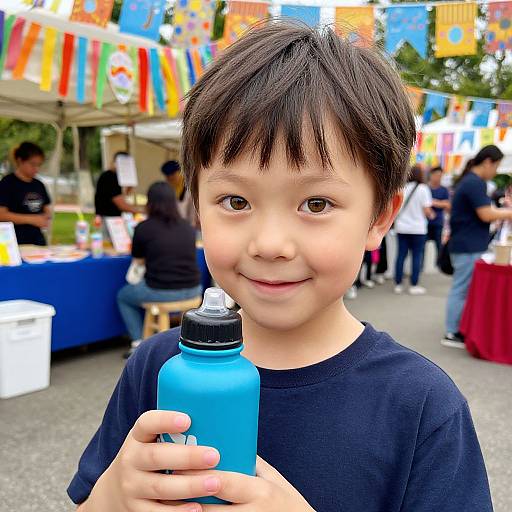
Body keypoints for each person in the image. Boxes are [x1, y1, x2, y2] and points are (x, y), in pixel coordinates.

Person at [69, 22, 492, 512]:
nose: (270, 245)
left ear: (378, 218)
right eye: (234, 200)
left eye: (315, 204)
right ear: (199, 207)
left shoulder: (421, 407)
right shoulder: (159, 367)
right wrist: (109, 500)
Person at [117, 182, 201, 356]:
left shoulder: (143, 228)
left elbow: (138, 262)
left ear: (149, 202)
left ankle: (137, 342)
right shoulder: (187, 227)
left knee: (123, 296)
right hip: (194, 290)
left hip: (161, 291)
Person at [444, 145, 512, 347]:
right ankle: (452, 331)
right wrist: (509, 213)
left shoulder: (470, 181)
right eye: (497, 166)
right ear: (488, 162)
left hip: (465, 243)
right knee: (461, 289)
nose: (495, 171)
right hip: (468, 245)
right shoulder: (475, 183)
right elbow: (486, 214)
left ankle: (456, 329)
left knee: (462, 288)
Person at [394, 165, 435, 295]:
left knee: (401, 255)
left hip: (402, 227)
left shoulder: (402, 188)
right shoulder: (423, 189)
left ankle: (398, 284)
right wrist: (432, 215)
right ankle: (414, 285)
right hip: (418, 229)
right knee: (417, 256)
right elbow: (427, 210)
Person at [0, 142, 51, 245]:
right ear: (20, 161)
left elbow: (47, 209)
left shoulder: (39, 184)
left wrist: (45, 217)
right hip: (13, 242)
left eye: (39, 165)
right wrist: (31, 219)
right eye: (32, 164)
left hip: (37, 241)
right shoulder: (7, 183)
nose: (36, 169)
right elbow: (1, 215)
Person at [94, 151, 142, 217]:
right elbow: (121, 204)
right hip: (108, 218)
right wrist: (140, 211)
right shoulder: (110, 177)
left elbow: (122, 197)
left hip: (112, 217)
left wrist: (129, 187)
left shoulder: (115, 177)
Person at [161, 159, 197, 226]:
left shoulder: (190, 188)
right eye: (167, 176)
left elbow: (192, 214)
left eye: (172, 174)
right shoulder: (168, 189)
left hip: (186, 227)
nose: (170, 178)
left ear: (180, 172)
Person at [427, 166, 450, 262]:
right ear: (431, 175)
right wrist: (440, 203)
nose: (438, 178)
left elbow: (448, 205)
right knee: (423, 246)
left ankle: (439, 263)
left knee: (438, 244)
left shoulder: (444, 190)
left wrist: (433, 202)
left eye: (440, 176)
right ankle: (421, 266)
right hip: (425, 222)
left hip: (438, 222)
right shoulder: (425, 188)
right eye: (436, 175)